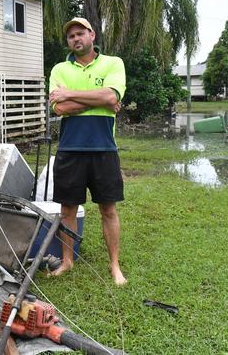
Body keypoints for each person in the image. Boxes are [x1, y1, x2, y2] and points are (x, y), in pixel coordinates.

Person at [48, 17, 127, 285]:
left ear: (92, 35)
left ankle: (114, 265)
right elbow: (59, 109)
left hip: (104, 149)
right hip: (70, 149)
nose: (75, 39)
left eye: (80, 33)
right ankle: (67, 261)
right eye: (71, 36)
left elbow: (112, 97)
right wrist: (100, 99)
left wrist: (70, 94)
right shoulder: (59, 69)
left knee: (109, 209)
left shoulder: (113, 63)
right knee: (67, 210)